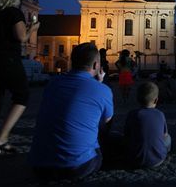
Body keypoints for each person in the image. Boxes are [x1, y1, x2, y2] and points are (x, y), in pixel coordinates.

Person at [28, 43, 113, 181]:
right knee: (112, 138)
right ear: (96, 65)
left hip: (39, 166)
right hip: (76, 167)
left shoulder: (52, 84)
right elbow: (106, 123)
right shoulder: (102, 90)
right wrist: (99, 84)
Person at [0, 0, 40, 155]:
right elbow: (21, 37)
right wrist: (32, 29)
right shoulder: (14, 12)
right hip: (8, 59)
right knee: (22, 94)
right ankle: (1, 137)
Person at [123, 81, 171, 168]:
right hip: (158, 159)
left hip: (134, 159)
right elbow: (164, 134)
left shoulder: (132, 114)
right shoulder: (160, 114)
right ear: (156, 100)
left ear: (137, 99)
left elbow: (127, 134)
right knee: (168, 138)